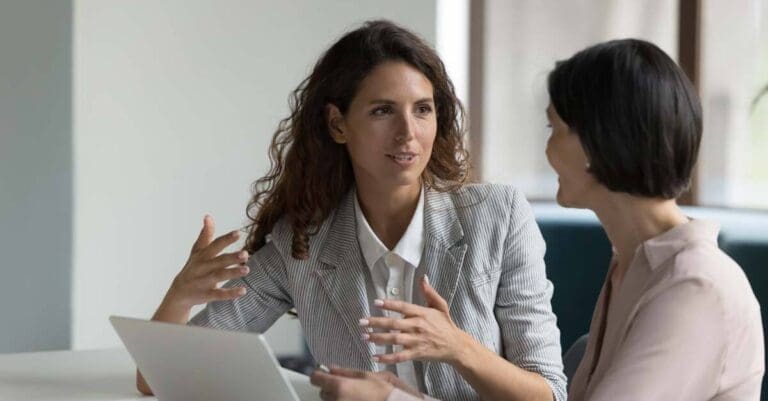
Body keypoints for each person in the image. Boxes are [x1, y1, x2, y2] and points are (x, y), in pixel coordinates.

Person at [135, 20, 567, 401]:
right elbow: (155, 380)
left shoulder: (498, 216)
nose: (408, 134)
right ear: (338, 125)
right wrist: (181, 296)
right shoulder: (301, 244)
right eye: (383, 111)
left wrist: (457, 346)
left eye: (422, 110)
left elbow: (549, 395)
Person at [312, 38, 765, 401]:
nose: (547, 149)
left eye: (555, 129)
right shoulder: (634, 266)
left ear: (599, 144)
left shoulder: (693, 286)